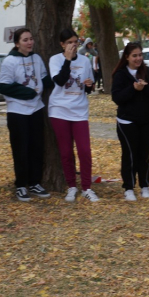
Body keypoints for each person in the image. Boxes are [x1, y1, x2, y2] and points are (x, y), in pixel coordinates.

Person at [0, 28, 52, 201]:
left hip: (35, 110)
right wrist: (28, 92)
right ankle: (21, 185)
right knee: (21, 149)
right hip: (17, 112)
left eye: (31, 38)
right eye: (25, 40)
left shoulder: (36, 58)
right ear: (17, 43)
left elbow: (43, 79)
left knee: (36, 147)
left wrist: (62, 73)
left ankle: (34, 182)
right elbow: (4, 86)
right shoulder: (9, 61)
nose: (30, 42)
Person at [49, 29, 98, 202]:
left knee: (85, 151)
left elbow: (88, 87)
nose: (74, 45)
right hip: (59, 110)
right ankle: (71, 187)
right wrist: (68, 60)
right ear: (62, 44)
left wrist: (89, 85)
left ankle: (86, 188)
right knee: (66, 152)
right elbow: (60, 81)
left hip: (79, 110)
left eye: (76, 41)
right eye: (69, 42)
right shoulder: (55, 60)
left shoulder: (85, 61)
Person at [112, 41, 149, 200]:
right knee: (129, 154)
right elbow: (117, 98)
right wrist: (133, 89)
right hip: (127, 122)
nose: (138, 58)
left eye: (140, 55)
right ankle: (128, 187)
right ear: (127, 57)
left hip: (146, 120)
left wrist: (145, 87)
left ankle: (145, 185)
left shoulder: (148, 72)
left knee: (144, 153)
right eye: (134, 55)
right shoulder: (120, 74)